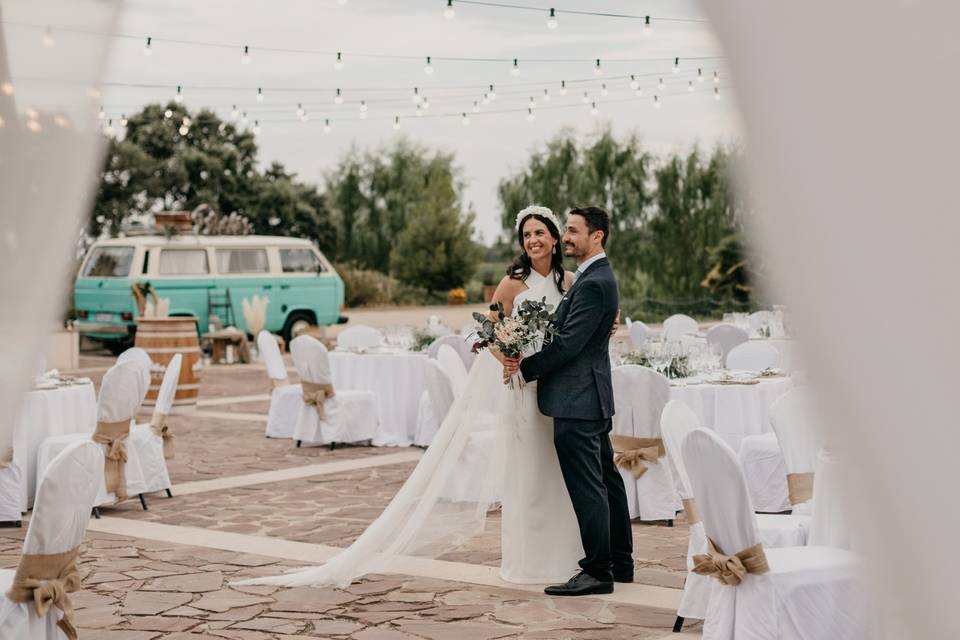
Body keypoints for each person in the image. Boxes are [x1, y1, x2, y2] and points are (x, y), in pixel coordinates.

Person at [237, 205, 615, 589]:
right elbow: (487, 332)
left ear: (554, 237)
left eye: (540, 233)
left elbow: (586, 322)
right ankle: (532, 562)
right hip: (524, 390)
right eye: (526, 235)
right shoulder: (510, 285)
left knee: (558, 478)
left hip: (559, 391)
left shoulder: (572, 281)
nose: (533, 241)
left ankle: (570, 557)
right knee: (529, 476)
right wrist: (509, 358)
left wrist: (610, 322)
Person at [504, 205, 634, 596]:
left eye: (574, 231)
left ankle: (597, 569)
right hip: (589, 395)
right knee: (607, 481)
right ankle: (620, 561)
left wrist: (524, 369)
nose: (567, 237)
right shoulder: (593, 277)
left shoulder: (593, 281)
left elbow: (569, 344)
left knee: (589, 486)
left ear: (598, 236)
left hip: (577, 398)